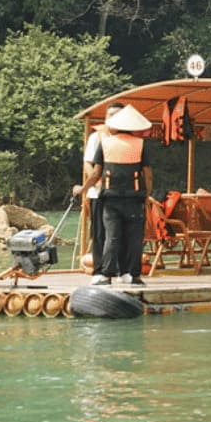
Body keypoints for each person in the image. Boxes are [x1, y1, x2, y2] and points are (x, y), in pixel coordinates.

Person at [76, 104, 153, 285]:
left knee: (112, 236)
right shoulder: (139, 144)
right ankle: (130, 274)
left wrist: (83, 188)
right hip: (133, 198)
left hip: (110, 197)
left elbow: (95, 172)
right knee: (131, 237)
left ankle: (107, 274)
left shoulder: (106, 143)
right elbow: (148, 174)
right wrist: (147, 195)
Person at [76, 101, 123, 281]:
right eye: (110, 115)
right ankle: (99, 271)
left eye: (117, 115)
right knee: (99, 233)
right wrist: (95, 183)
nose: (113, 119)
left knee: (118, 233)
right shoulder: (97, 137)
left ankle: (117, 270)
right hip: (99, 193)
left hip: (120, 193)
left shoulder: (128, 139)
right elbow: (88, 163)